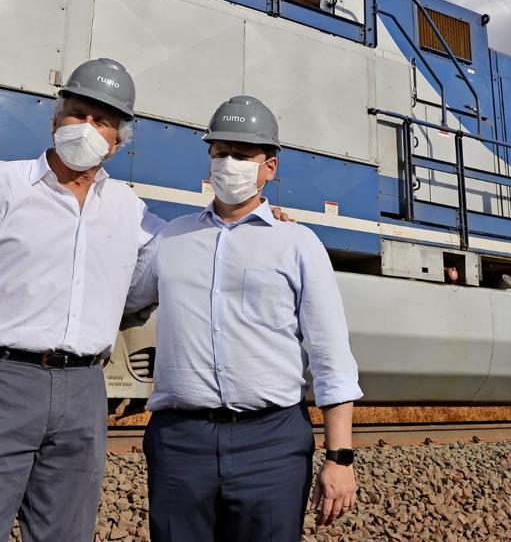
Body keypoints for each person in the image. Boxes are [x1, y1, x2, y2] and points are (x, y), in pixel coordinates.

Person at [0, 58, 161, 542]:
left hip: (83, 391)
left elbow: (192, 252)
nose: (87, 128)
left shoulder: (130, 211)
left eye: (101, 121)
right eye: (78, 113)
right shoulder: (3, 185)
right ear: (56, 119)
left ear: (117, 141)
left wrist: (270, 223)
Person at [129, 95, 363, 541]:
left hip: (272, 445)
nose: (228, 163)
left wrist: (340, 457)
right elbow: (122, 299)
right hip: (180, 443)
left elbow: (331, 359)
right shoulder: (171, 238)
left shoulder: (298, 244)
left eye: (242, 154)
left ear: (269, 167)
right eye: (220, 153)